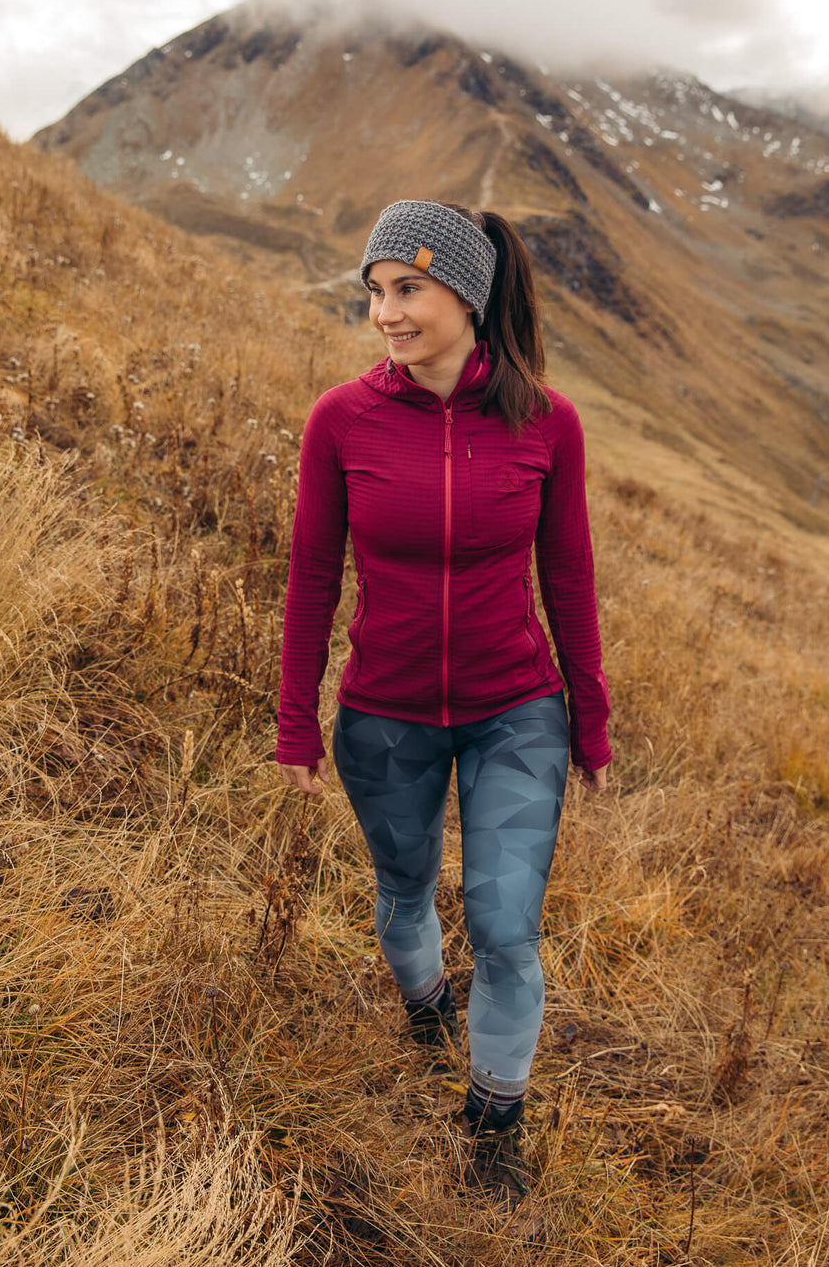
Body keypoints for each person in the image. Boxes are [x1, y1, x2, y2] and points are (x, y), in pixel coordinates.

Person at [275, 199, 611, 1212]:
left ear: (466, 294)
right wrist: (296, 717)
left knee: (505, 927)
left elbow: (569, 574)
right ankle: (426, 1007)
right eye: (376, 291)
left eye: (407, 289)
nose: (385, 312)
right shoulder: (341, 420)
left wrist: (589, 717)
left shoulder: (547, 423)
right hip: (385, 713)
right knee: (403, 896)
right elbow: (311, 575)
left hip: (518, 711)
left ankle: (495, 1123)